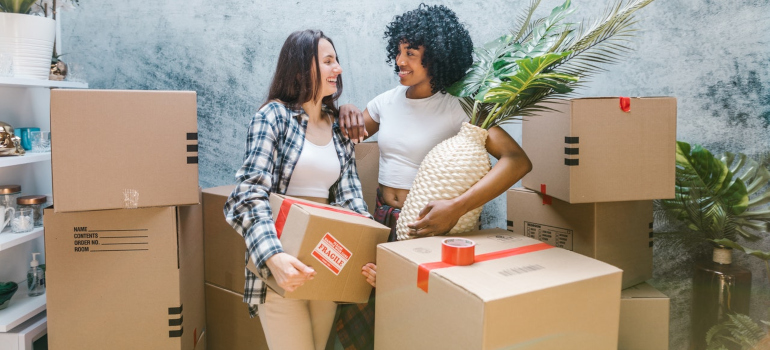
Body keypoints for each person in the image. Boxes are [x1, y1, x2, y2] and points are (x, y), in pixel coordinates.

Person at [335, 4, 533, 349]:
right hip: (384, 220)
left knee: (420, 324)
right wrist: (344, 108)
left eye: (411, 53)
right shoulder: (387, 101)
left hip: (433, 227)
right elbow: (343, 135)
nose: (400, 61)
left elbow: (517, 161)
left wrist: (456, 208)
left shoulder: (461, 106)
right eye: (398, 51)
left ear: (439, 56)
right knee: (368, 320)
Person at [224, 29, 372, 350]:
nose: (339, 68)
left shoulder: (339, 127)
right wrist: (274, 258)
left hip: (328, 264)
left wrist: (369, 254)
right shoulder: (273, 117)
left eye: (337, 60)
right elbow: (247, 196)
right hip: (281, 266)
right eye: (328, 61)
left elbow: (351, 200)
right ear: (302, 68)